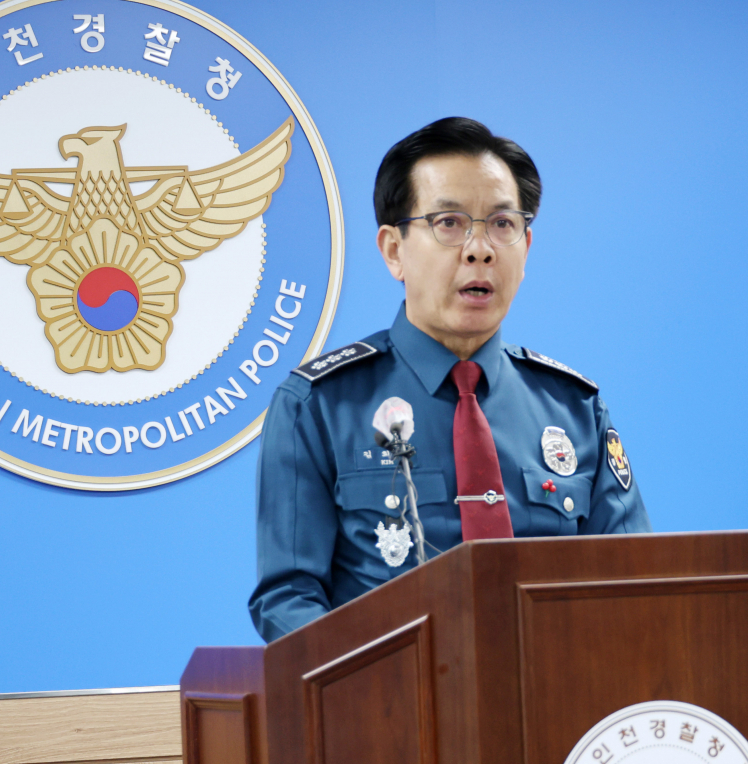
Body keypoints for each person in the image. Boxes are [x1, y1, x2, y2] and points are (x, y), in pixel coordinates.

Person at [249, 117, 651, 641]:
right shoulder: (319, 405)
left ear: (526, 249)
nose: (479, 249)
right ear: (394, 250)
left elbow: (633, 583)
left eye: (502, 225)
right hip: (395, 709)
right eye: (449, 223)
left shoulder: (574, 409)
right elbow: (289, 601)